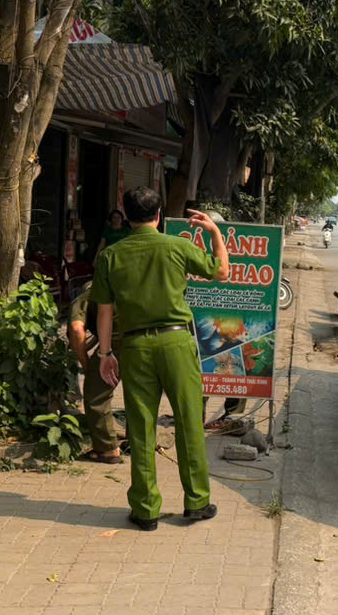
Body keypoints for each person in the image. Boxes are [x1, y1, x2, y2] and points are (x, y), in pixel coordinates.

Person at [91, 187, 230, 530]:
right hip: (176, 343)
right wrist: (214, 232)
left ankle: (145, 510)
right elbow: (222, 272)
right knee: (188, 421)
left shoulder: (110, 255)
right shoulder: (177, 247)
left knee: (140, 426)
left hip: (134, 346)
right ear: (159, 215)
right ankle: (196, 502)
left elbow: (104, 312)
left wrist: (105, 354)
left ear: (125, 216)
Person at [66, 288, 124, 464]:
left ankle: (107, 449)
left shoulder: (85, 296)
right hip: (144, 339)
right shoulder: (123, 284)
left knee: (96, 396)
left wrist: (86, 365)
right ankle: (139, 443)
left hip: (116, 343)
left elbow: (76, 330)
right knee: (138, 394)